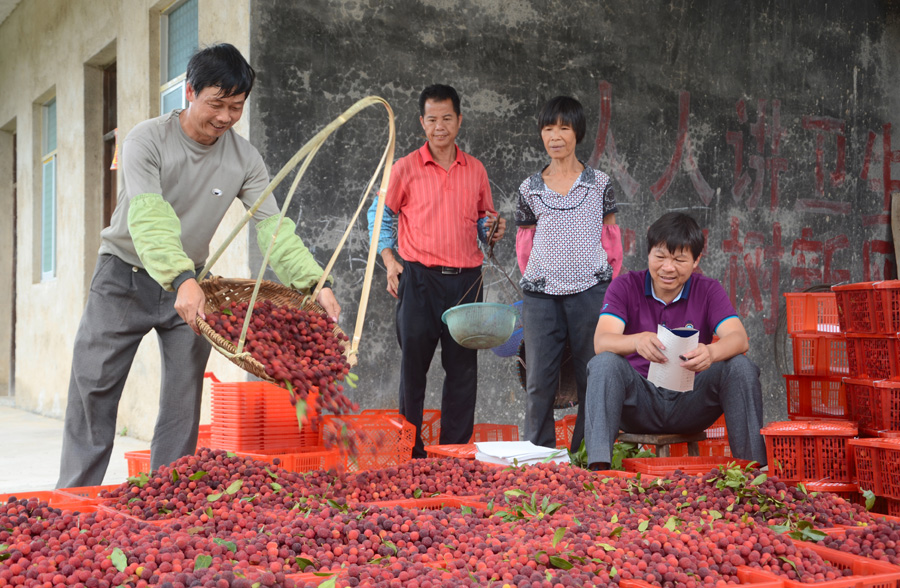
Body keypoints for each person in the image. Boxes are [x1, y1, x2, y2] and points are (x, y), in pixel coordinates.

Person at [57, 43, 340, 488]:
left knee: (182, 401)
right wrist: (182, 278)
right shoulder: (146, 140)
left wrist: (314, 283)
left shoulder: (245, 159)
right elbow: (150, 216)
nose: (226, 117)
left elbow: (273, 230)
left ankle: (163, 501)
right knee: (93, 389)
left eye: (236, 107)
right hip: (123, 278)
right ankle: (73, 500)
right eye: (217, 103)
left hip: (192, 289)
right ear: (189, 92)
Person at [367, 84, 505, 458]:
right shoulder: (405, 168)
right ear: (421, 122)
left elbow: (482, 221)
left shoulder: (475, 169)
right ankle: (409, 452)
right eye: (432, 119)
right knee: (413, 370)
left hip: (465, 282)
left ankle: (453, 454)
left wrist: (491, 229)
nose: (440, 126)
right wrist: (389, 260)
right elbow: (380, 214)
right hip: (419, 279)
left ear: (459, 121)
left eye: (447, 118)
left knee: (463, 372)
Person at [583, 212, 767, 469]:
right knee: (604, 364)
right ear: (648, 254)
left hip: (690, 401)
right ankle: (599, 472)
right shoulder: (625, 286)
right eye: (660, 257)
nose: (667, 268)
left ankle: (753, 472)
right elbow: (602, 341)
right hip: (639, 403)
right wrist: (636, 341)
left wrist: (711, 353)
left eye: (679, 259)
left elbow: (738, 338)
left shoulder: (708, 290)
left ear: (696, 261)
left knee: (740, 367)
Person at [515, 96, 622, 451]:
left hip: (590, 292)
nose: (555, 136)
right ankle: (537, 456)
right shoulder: (529, 188)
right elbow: (524, 246)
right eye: (548, 128)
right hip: (541, 297)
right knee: (538, 380)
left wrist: (605, 283)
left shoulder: (600, 184)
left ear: (578, 133)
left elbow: (611, 239)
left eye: (563, 127)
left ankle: (586, 454)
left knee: (591, 374)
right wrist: (542, 278)